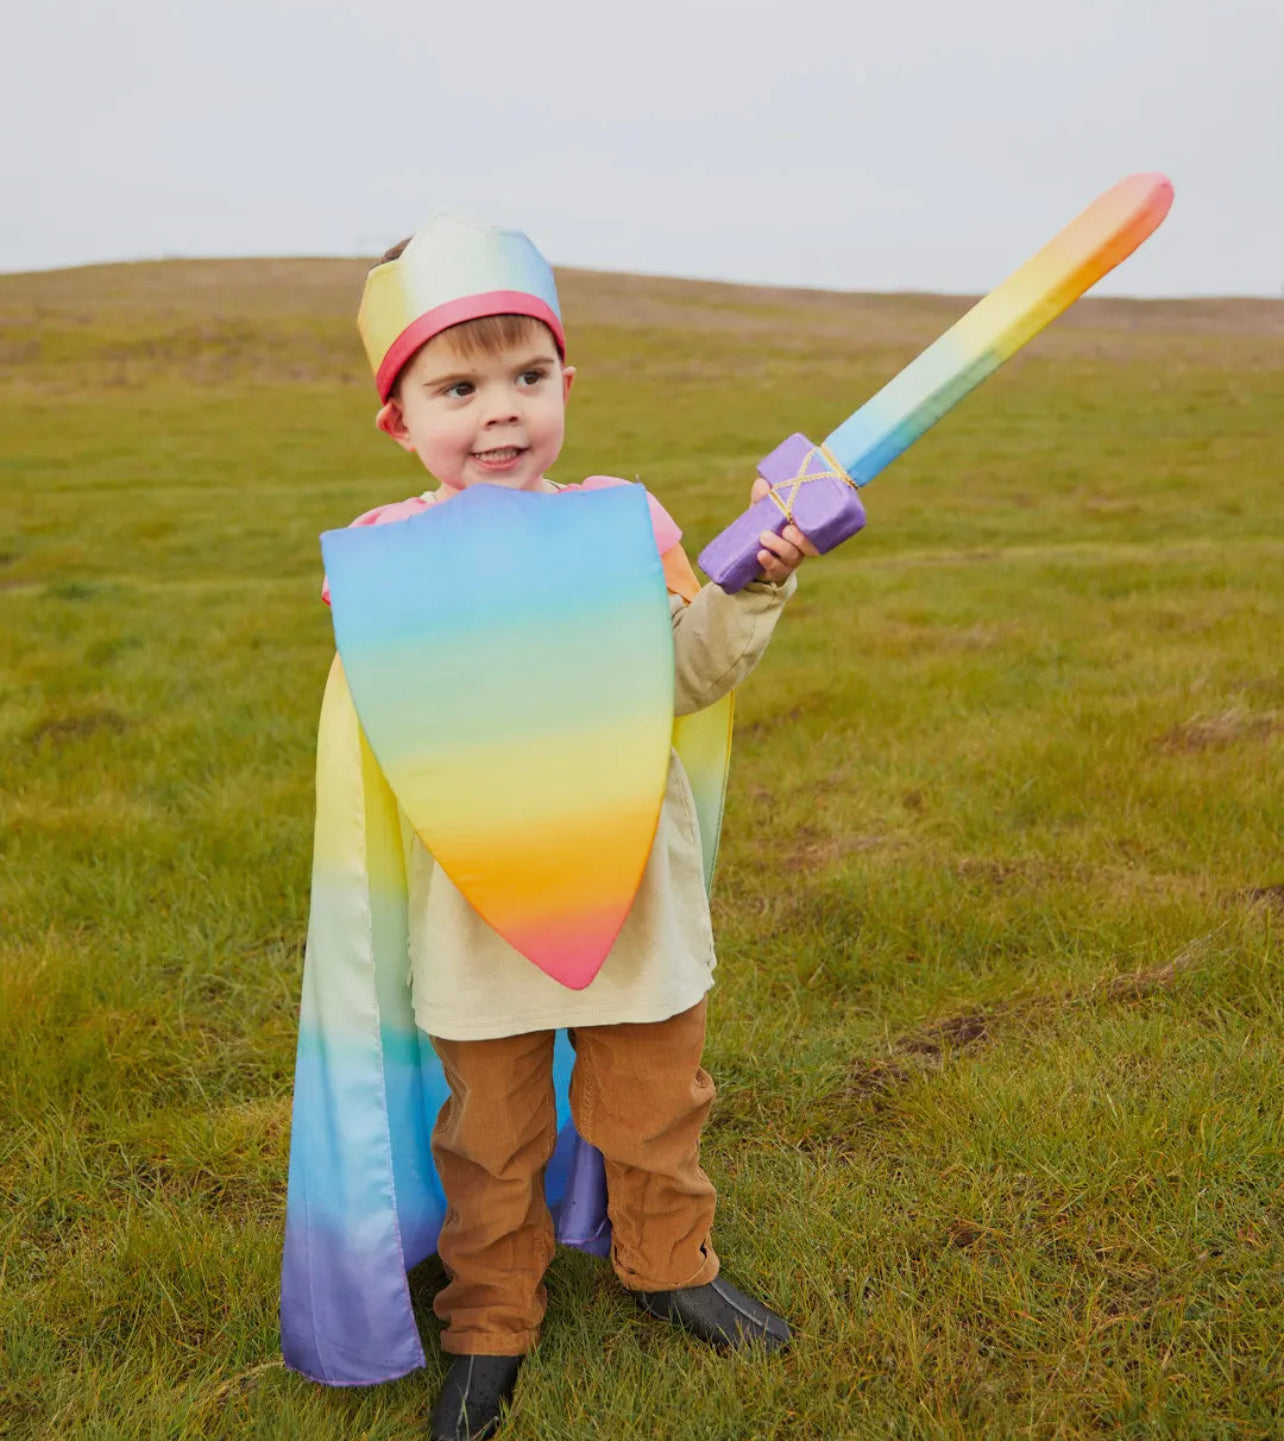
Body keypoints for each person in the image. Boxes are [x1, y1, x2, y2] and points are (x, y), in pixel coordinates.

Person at [293, 213, 817, 1441]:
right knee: (492, 1134)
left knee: (654, 1103)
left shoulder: (622, 521)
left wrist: (752, 581)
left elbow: (684, 676)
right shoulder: (390, 558)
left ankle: (671, 1262)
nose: (500, 414)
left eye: (528, 378)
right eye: (459, 386)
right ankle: (489, 1320)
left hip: (630, 891)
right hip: (479, 910)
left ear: (566, 384)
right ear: (401, 419)